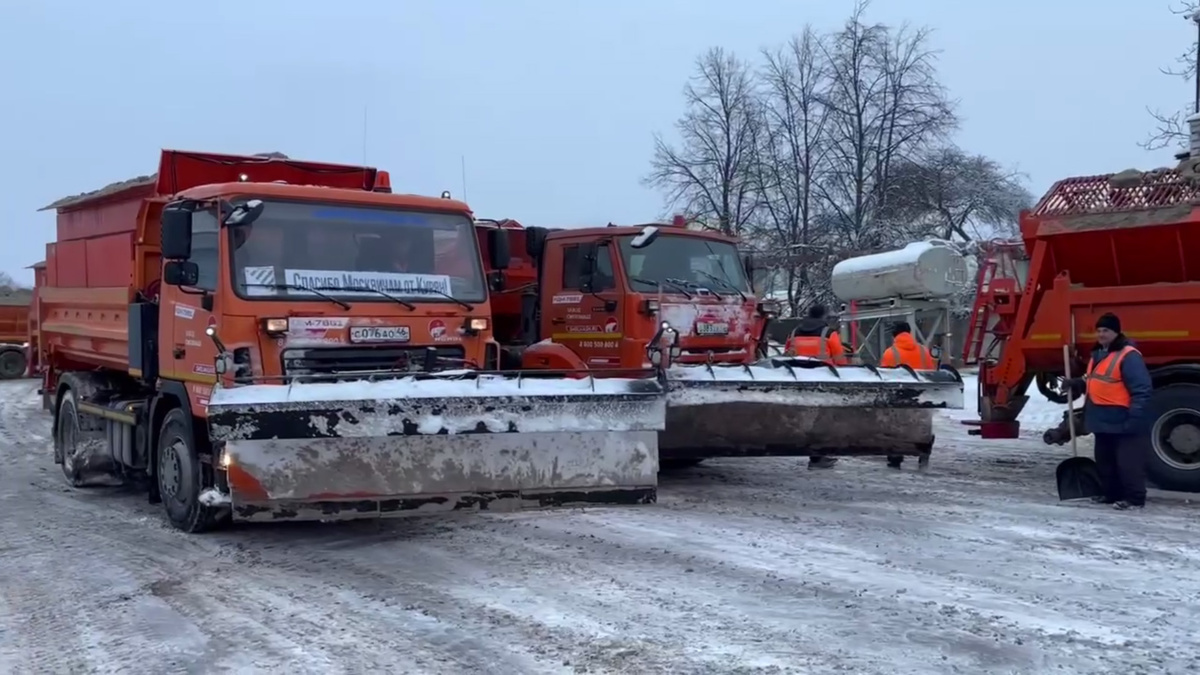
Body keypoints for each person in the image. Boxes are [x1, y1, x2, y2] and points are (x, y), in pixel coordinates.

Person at [1076, 313, 1153, 510]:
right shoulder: (1099, 354)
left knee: (1128, 463)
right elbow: (1095, 379)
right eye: (1099, 331)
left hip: (1122, 418)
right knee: (1105, 461)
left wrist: (1134, 417)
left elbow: (1141, 389)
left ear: (1116, 332)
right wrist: (1075, 383)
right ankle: (1110, 494)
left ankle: (1135, 499)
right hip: (1102, 419)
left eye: (1106, 331)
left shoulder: (1128, 355)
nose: (1101, 334)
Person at [786, 304, 847, 470]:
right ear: (824, 317)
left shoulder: (794, 332)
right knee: (822, 420)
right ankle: (818, 457)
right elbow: (840, 360)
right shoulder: (828, 333)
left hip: (798, 381)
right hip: (823, 382)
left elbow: (787, 355)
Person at [879, 322, 937, 469]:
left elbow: (885, 377)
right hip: (921, 394)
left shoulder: (890, 353)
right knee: (922, 425)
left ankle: (895, 458)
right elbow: (931, 372)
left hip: (900, 395)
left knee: (897, 427)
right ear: (909, 332)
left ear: (894, 335)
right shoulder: (924, 350)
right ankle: (923, 454)